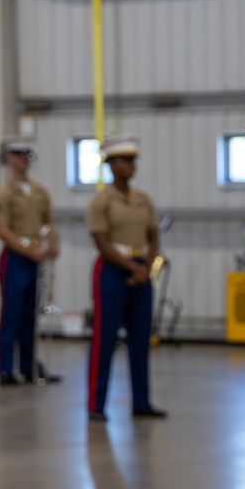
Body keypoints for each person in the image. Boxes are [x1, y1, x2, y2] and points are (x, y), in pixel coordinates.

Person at [85, 133, 167, 422]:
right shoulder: (102, 200)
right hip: (112, 268)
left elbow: (154, 235)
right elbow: (101, 241)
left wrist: (145, 265)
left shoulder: (143, 199)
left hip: (140, 268)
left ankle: (142, 401)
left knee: (140, 338)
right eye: (124, 160)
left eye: (133, 160)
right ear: (110, 164)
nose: (131, 166)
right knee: (105, 338)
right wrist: (132, 269)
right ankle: (97, 404)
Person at [0, 135, 61, 386]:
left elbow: (48, 220)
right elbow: (2, 230)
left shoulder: (39, 191)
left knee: (30, 315)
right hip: (16, 258)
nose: (23, 161)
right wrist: (29, 250)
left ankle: (30, 366)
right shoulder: (4, 193)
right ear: (9, 159)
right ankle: (6, 369)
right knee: (12, 313)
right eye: (18, 156)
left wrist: (53, 243)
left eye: (26, 156)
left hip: (35, 258)